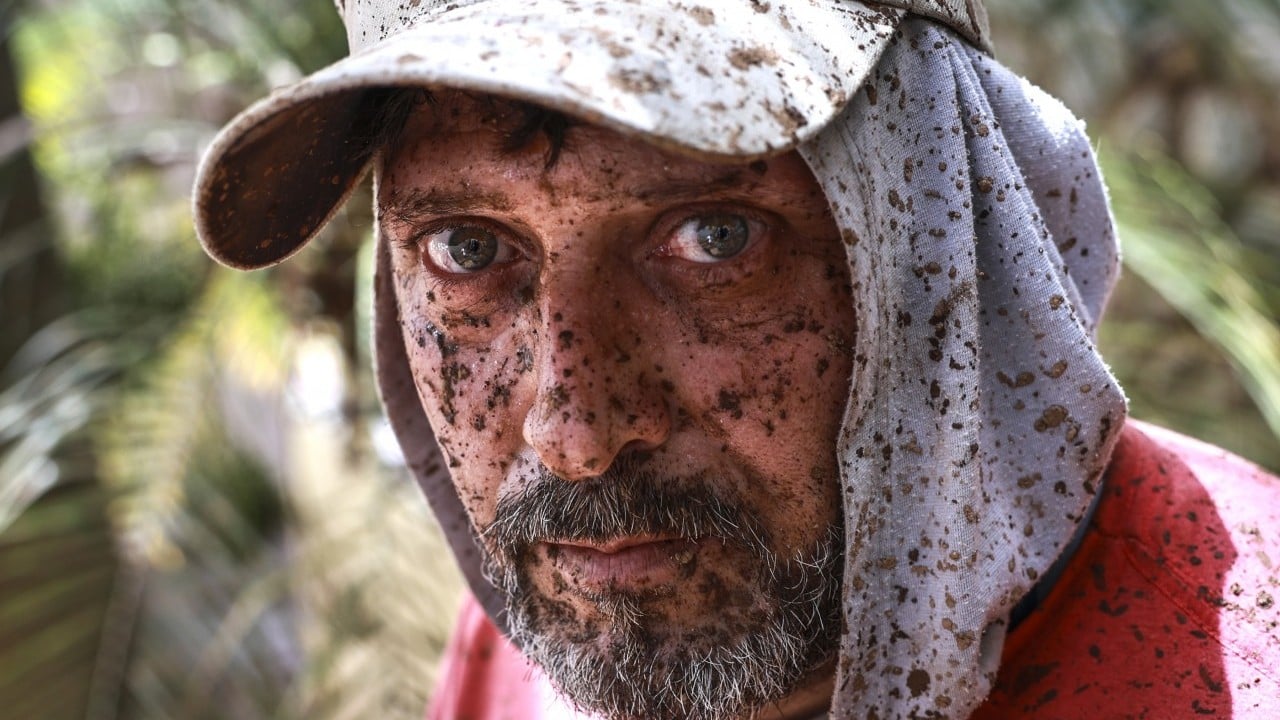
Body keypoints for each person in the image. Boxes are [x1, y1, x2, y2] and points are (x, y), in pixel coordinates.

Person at [192, 0, 1280, 717]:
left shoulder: (1232, 671)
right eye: (466, 250)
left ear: (949, 238)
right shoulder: (566, 617)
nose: (574, 436)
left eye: (716, 239)